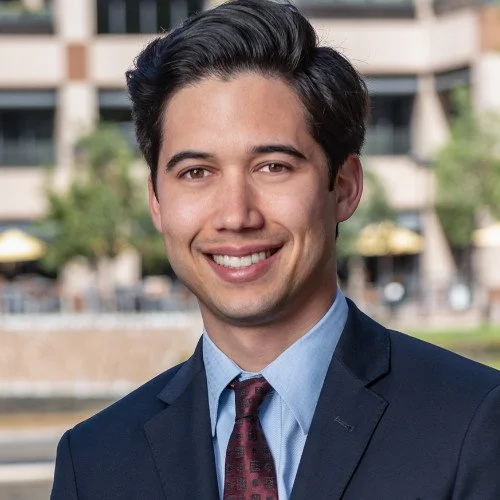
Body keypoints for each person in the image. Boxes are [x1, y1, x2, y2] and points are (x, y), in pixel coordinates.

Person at [51, 1, 500, 498]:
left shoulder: (475, 424)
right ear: (156, 202)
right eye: (196, 173)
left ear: (345, 187)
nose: (236, 215)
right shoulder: (92, 461)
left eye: (273, 167)